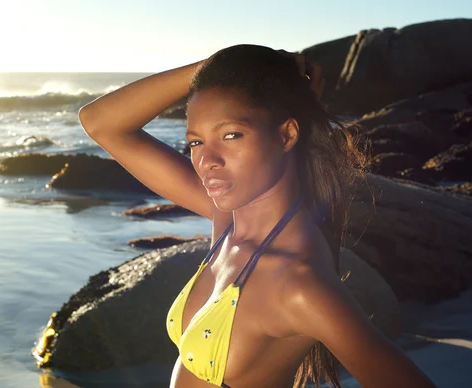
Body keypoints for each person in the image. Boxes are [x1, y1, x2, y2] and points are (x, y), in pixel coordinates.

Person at [78, 44, 436, 388]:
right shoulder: (228, 219)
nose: (207, 161)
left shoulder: (298, 284)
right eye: (196, 142)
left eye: (231, 135)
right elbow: (99, 122)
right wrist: (216, 66)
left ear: (287, 135)